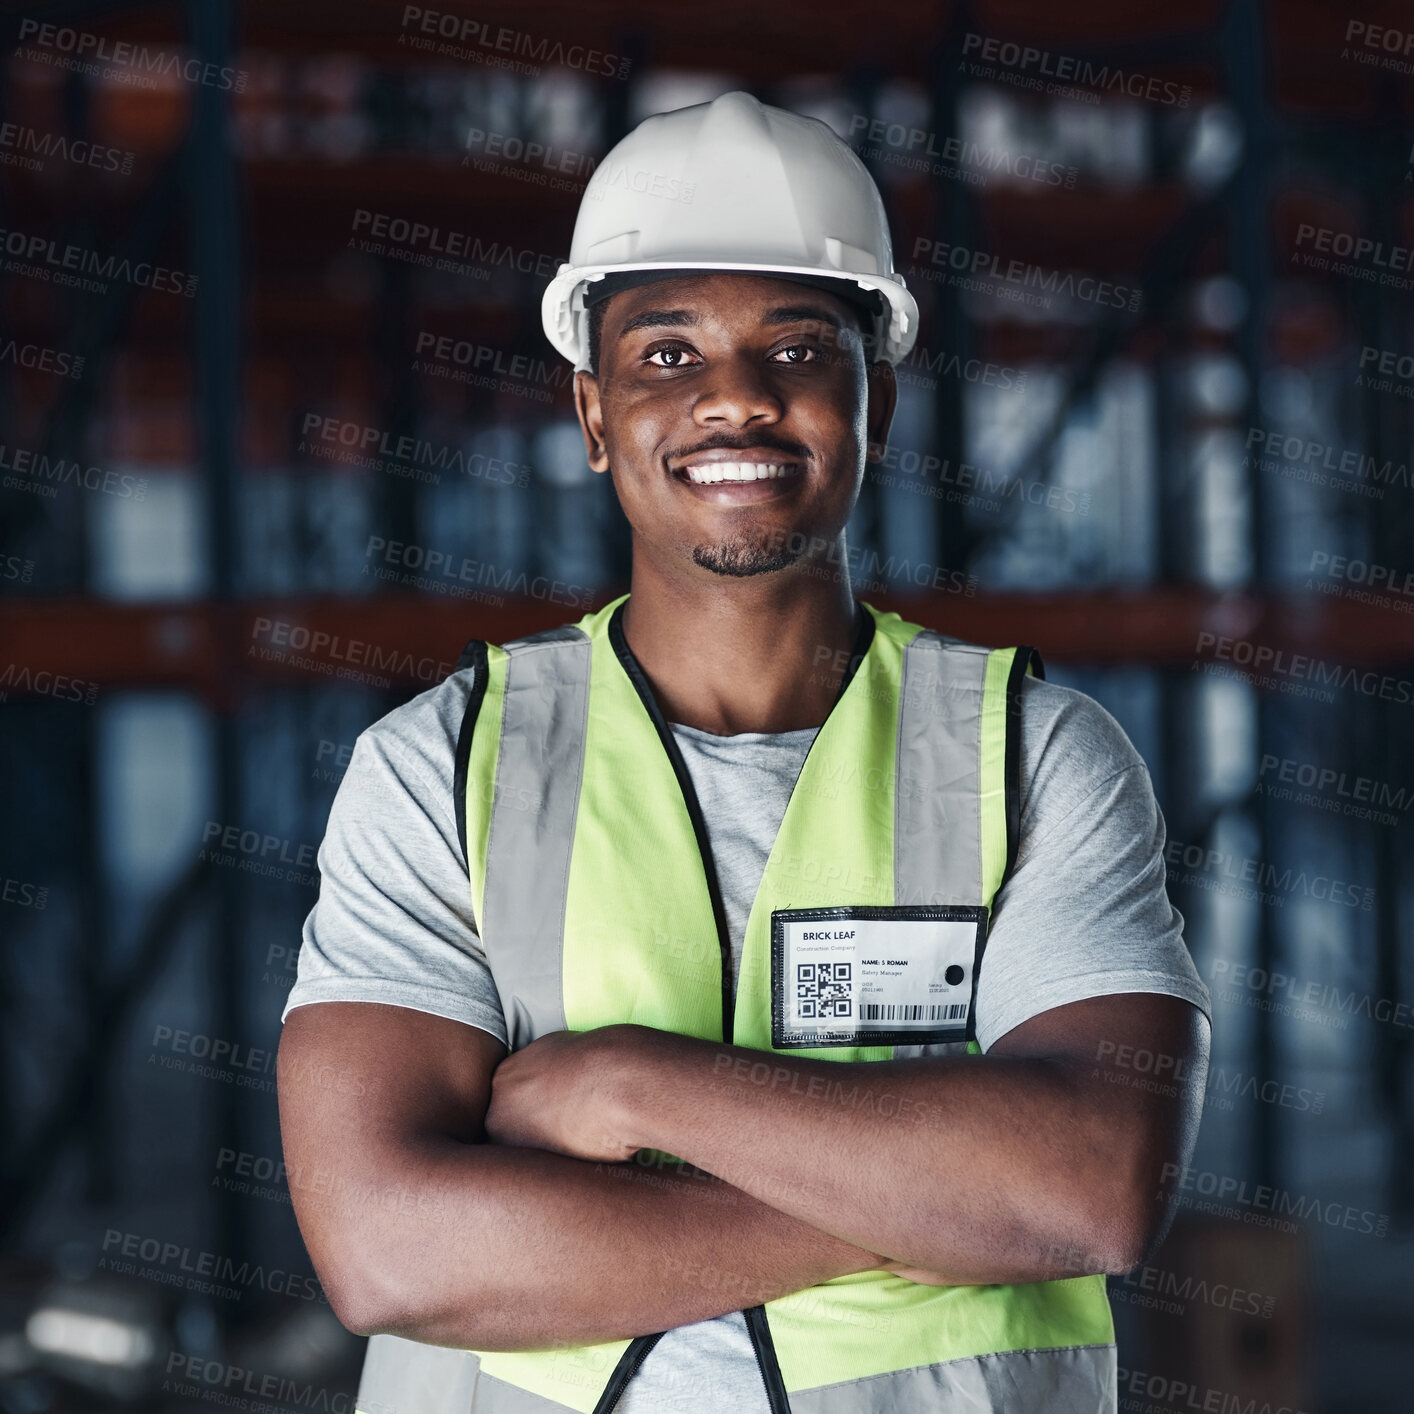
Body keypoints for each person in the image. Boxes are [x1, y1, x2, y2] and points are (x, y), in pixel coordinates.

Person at [277, 91, 1211, 1414]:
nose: (734, 398)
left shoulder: (1032, 755)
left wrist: (622, 1080)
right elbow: (387, 1246)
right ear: (594, 415)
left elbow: (1092, 1189)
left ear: (873, 402)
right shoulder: (442, 765)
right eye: (665, 355)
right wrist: (937, 1203)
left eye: (796, 348)